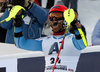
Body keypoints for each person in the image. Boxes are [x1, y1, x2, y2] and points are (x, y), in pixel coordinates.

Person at [14, 5, 87, 72]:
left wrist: (76, 28)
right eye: (51, 17)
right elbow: (20, 44)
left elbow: (82, 45)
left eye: (57, 16)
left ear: (66, 20)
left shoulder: (73, 39)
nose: (54, 20)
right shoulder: (45, 41)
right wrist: (17, 25)